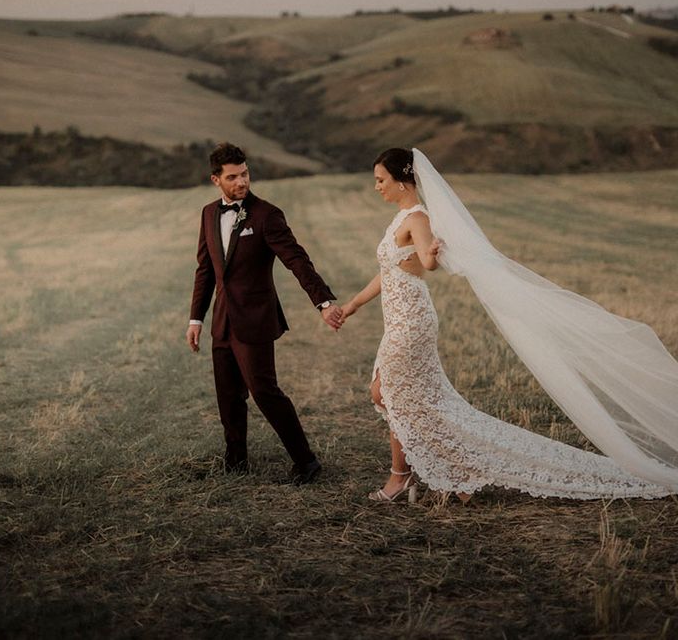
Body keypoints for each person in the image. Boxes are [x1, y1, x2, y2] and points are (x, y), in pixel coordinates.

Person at [342, 147, 678, 503]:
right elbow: (388, 271)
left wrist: (434, 251)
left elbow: (427, 261)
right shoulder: (398, 219)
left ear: (403, 180)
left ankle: (406, 477)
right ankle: (449, 469)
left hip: (412, 320)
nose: (377, 187)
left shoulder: (417, 218)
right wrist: (352, 305)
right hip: (395, 320)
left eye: (381, 180)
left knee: (390, 393)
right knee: (395, 394)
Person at [186, 142, 343, 484]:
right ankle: (236, 461)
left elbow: (296, 260)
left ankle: (306, 462)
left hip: (255, 318)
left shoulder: (266, 215)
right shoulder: (209, 214)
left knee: (265, 392)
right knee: (228, 395)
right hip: (222, 320)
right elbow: (206, 270)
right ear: (216, 180)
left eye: (244, 174)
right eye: (233, 177)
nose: (241, 182)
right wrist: (196, 318)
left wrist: (324, 302)